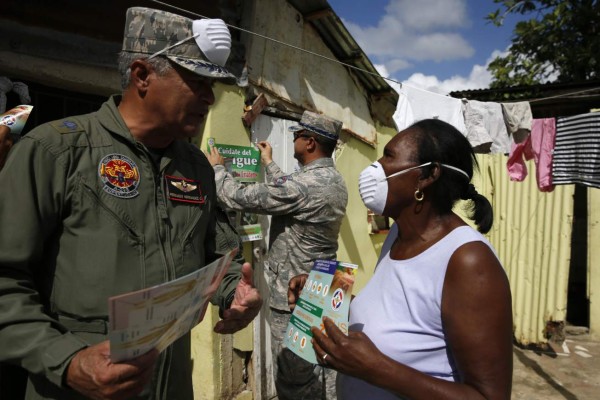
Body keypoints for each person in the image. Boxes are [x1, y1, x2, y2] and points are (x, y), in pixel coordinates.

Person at [0, 7, 262, 400]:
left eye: (214, 85)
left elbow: (216, 253)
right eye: (197, 81)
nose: (210, 97)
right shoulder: (56, 151)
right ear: (142, 76)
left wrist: (232, 292)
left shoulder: (198, 169)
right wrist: (68, 361)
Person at [289, 119, 513, 399]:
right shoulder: (398, 234)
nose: (375, 167)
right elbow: (397, 316)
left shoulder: (469, 261)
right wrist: (324, 296)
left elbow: (489, 396)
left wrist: (376, 369)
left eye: (389, 156)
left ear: (426, 176)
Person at [207, 111, 348, 400]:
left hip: (297, 294)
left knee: (294, 378)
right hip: (326, 285)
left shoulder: (305, 186)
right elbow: (289, 191)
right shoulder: (331, 179)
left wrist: (217, 170)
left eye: (297, 135)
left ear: (310, 143)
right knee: (326, 367)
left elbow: (237, 197)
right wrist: (269, 163)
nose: (293, 139)